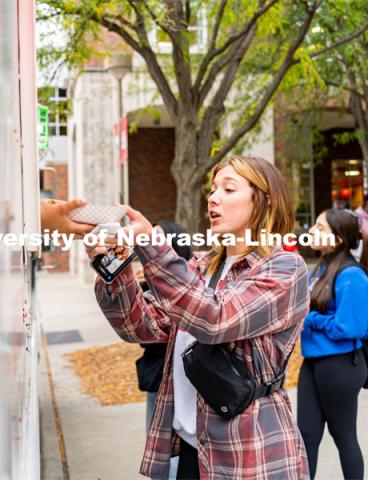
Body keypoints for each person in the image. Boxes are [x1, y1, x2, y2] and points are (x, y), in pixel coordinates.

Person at [87, 156, 310, 479]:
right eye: (213, 188)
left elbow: (216, 318)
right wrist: (113, 268)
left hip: (249, 452)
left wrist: (151, 243)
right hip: (194, 448)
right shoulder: (202, 267)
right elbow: (141, 325)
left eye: (228, 188)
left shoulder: (284, 269)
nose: (213, 197)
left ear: (265, 200)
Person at [297, 208, 368, 480]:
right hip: (313, 363)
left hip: (340, 366)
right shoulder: (321, 267)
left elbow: (352, 327)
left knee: (344, 437)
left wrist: (313, 319)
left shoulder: (352, 275)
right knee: (306, 436)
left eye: (319, 227)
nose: (311, 232)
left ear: (337, 239)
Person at [135, 221, 192, 480]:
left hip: (181, 376)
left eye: (157, 238)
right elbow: (142, 331)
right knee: (158, 444)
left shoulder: (188, 279)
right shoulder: (149, 281)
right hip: (157, 374)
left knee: (176, 451)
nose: (150, 243)